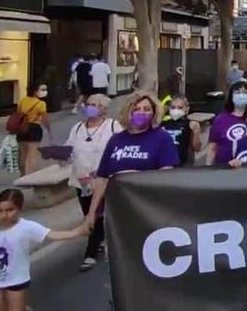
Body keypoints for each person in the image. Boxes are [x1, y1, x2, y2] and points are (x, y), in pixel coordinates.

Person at [85, 92, 180, 229]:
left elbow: (166, 175)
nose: (141, 113)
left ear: (154, 113)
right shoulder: (116, 140)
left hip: (149, 209)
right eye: (136, 109)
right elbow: (102, 179)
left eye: (147, 109)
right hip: (118, 209)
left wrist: (135, 177)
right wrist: (92, 212)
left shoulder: (162, 138)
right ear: (128, 112)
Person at [0, 188, 88, 311]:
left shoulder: (26, 227)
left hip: (17, 279)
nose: (5, 215)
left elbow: (51, 234)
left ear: (19, 209)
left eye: (10, 210)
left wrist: (77, 232)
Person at [64, 93, 121, 272]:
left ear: (104, 108)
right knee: (90, 214)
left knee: (94, 214)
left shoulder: (113, 126)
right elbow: (69, 149)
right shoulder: (78, 128)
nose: (90, 107)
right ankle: (100, 239)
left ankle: (90, 253)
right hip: (81, 181)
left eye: (95, 104)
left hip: (104, 180)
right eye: (89, 104)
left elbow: (120, 149)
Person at [206, 82, 247, 166]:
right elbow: (212, 147)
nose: (241, 95)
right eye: (237, 92)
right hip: (224, 169)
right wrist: (207, 169)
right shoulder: (220, 119)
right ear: (231, 96)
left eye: (245, 92)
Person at [14, 83, 49, 177]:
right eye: (39, 90)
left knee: (22, 155)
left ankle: (22, 175)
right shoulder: (41, 103)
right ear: (35, 92)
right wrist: (48, 129)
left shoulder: (22, 101)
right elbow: (45, 118)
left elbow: (19, 114)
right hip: (34, 129)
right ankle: (31, 177)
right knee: (32, 155)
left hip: (22, 128)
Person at [160, 94, 202, 167]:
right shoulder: (163, 124)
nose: (176, 110)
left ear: (187, 109)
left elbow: (196, 148)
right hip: (165, 164)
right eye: (173, 107)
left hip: (183, 164)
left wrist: (196, 132)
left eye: (180, 107)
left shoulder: (190, 124)